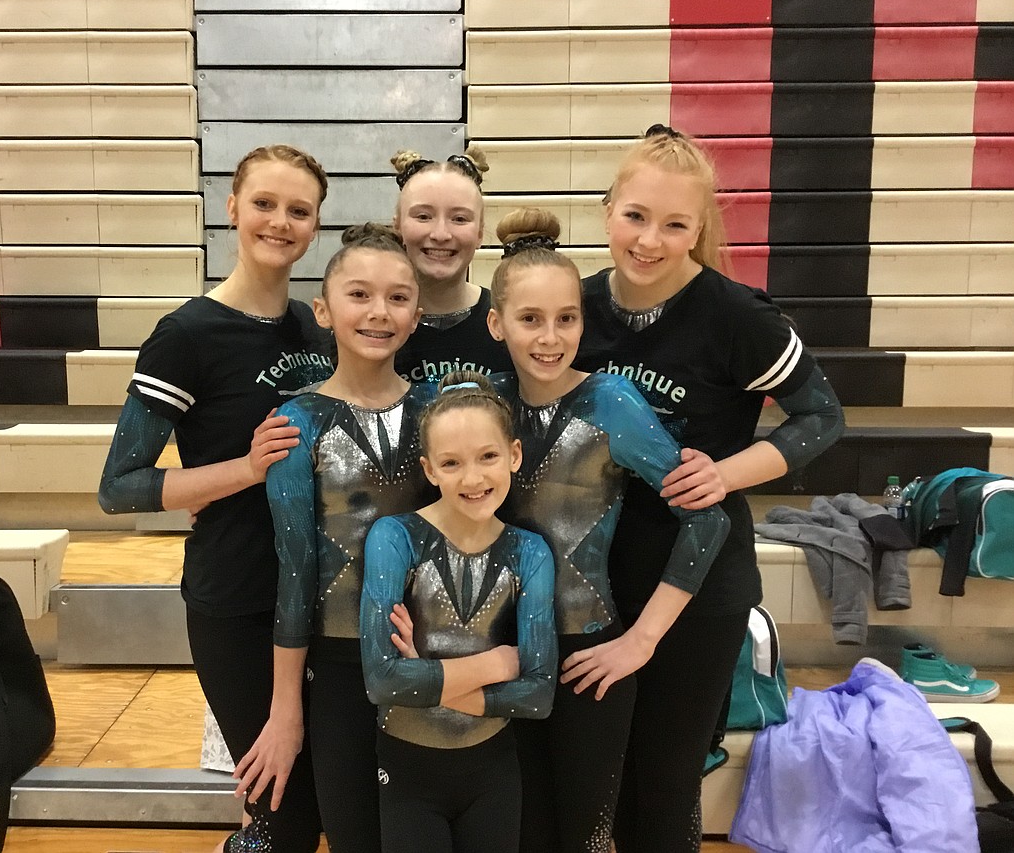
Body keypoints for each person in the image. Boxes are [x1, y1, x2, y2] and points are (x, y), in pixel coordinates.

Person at [573, 124, 845, 852]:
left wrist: (726, 472)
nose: (650, 240)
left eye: (674, 224)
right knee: (592, 778)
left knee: (665, 781)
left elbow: (824, 417)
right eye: (635, 216)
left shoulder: (737, 316)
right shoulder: (575, 306)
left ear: (701, 227)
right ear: (607, 210)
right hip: (592, 576)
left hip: (694, 581)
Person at [97, 145, 332, 853]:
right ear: (231, 208)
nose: (280, 221)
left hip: (322, 596)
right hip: (236, 599)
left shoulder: (315, 329)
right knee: (281, 815)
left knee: (326, 798)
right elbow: (119, 486)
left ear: (317, 225)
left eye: (299, 210)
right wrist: (245, 468)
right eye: (264, 203)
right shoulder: (186, 335)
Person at [484, 208, 731, 853]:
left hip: (592, 655)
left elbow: (707, 520)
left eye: (566, 319)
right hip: (500, 652)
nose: (550, 337)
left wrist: (642, 639)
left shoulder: (611, 401)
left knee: (588, 834)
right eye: (530, 319)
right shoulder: (482, 405)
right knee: (520, 829)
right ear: (496, 323)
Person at [235, 226, 438, 853]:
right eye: (359, 295)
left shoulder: (445, 411)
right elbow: (295, 574)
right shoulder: (297, 422)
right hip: (341, 668)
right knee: (354, 834)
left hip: (436, 656)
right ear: (323, 310)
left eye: (398, 298)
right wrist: (285, 708)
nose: (379, 312)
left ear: (416, 317)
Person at [360, 371, 558, 853]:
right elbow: (382, 683)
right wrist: (496, 664)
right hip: (408, 769)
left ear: (513, 455)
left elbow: (538, 695)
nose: (472, 478)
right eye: (451, 463)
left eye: (488, 457)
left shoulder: (529, 553)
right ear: (429, 470)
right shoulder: (395, 537)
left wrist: (427, 678)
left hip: (492, 771)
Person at [390, 147, 514, 384]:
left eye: (459, 219)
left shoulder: (510, 325)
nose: (440, 234)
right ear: (398, 226)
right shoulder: (372, 326)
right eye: (423, 216)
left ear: (479, 232)